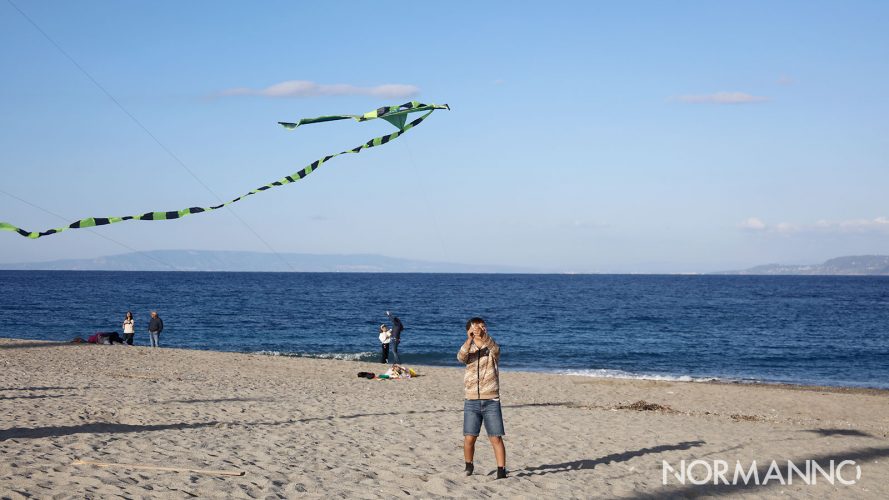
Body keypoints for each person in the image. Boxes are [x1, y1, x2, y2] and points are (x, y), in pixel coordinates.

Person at [457, 317, 506, 479]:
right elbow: (461, 357)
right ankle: (468, 466)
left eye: (483, 327)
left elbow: (496, 349)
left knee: (496, 437)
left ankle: (501, 470)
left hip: (491, 399)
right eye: (476, 328)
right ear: (468, 330)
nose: (480, 329)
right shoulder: (468, 349)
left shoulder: (491, 348)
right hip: (471, 399)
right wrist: (469, 339)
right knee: (469, 436)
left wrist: (483, 337)